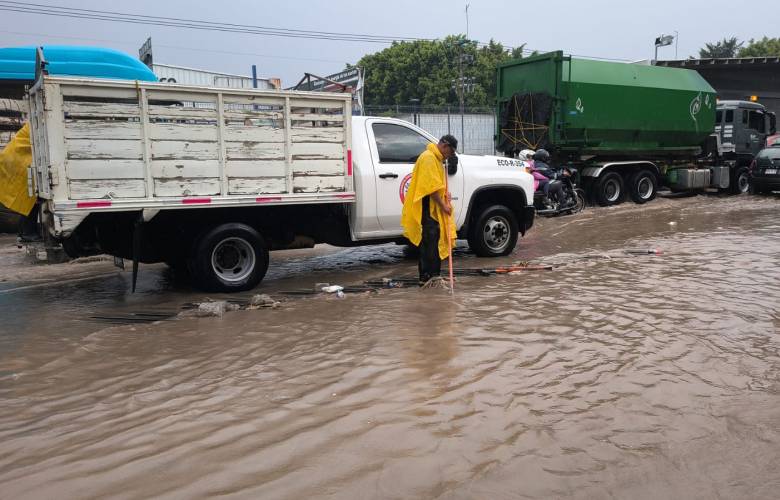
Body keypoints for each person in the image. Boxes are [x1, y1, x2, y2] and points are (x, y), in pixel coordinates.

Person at [401, 135, 458, 285]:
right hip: (428, 207)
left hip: (432, 206)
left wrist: (445, 194)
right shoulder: (429, 158)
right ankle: (427, 277)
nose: (448, 157)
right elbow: (431, 189)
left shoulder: (435, 158)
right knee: (430, 242)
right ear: (444, 146)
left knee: (435, 240)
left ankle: (435, 274)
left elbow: (437, 186)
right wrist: (443, 205)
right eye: (449, 153)